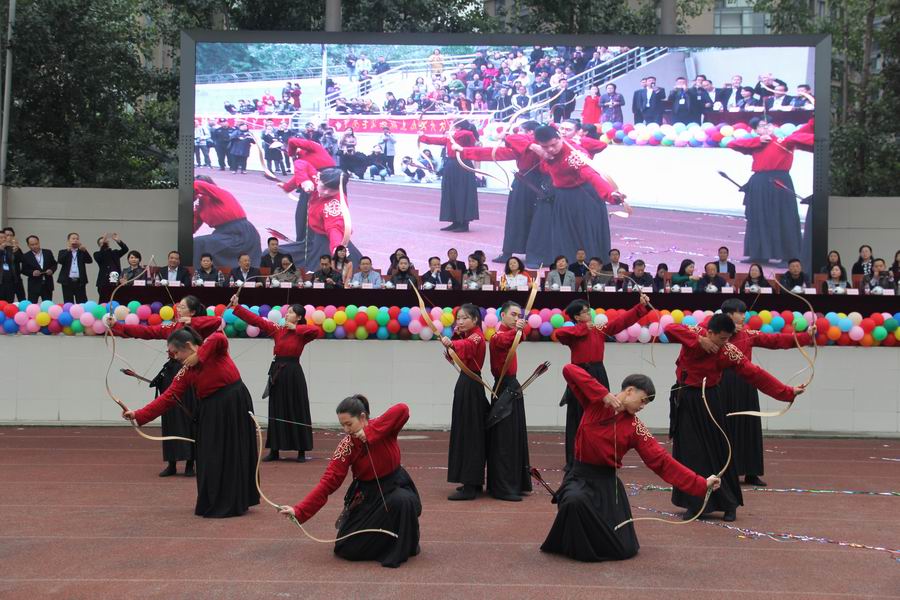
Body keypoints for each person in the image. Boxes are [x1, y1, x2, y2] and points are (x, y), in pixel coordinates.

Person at [541, 365, 721, 562]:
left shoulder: (636, 427)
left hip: (607, 486)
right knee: (574, 501)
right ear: (629, 390)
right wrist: (603, 395)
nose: (643, 406)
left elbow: (662, 461)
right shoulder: (595, 402)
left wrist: (701, 483)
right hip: (579, 478)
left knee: (622, 548)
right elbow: (569, 370)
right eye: (642, 400)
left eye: (646, 404)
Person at [665, 314, 805, 521]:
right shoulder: (696, 333)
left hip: (709, 399)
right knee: (689, 451)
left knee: (720, 451)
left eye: (728, 339)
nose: (725, 343)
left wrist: (787, 392)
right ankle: (694, 504)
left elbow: (755, 374)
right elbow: (669, 328)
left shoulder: (728, 351)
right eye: (721, 338)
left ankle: (729, 504)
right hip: (685, 398)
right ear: (710, 332)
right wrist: (699, 341)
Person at [123, 328, 259, 517]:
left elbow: (219, 336)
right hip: (211, 410)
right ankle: (216, 500)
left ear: (188, 346)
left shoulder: (215, 351)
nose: (175, 357)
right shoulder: (185, 371)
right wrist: (137, 415)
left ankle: (239, 499)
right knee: (211, 455)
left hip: (234, 402)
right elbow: (168, 397)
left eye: (175, 353)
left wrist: (199, 355)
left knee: (236, 450)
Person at [279, 397, 421, 568]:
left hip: (396, 486)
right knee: (347, 547)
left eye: (349, 424)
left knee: (402, 501)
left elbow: (403, 409)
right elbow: (328, 482)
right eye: (343, 425)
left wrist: (370, 433)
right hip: (368, 496)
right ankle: (386, 544)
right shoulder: (346, 446)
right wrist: (299, 510)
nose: (346, 430)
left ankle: (399, 544)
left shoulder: (381, 427)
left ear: (362, 417)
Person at [108, 296, 222, 477]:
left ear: (192, 311)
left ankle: (191, 463)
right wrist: (117, 326)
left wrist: (192, 321)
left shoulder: (199, 326)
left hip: (191, 373)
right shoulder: (173, 327)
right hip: (172, 373)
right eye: (178, 306)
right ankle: (172, 462)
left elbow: (217, 321)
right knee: (170, 416)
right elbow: (147, 331)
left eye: (183, 307)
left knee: (191, 415)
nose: (178, 309)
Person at [713, 299, 814, 487]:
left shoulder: (748, 334)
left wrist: (805, 337)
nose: (744, 316)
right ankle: (726, 471)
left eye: (744, 313)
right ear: (728, 315)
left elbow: (775, 340)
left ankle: (751, 472)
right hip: (722, 383)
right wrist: (726, 329)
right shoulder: (714, 332)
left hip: (746, 383)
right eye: (740, 313)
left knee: (749, 426)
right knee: (725, 427)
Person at [556, 295, 650, 468]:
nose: (589, 314)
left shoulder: (599, 329)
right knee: (577, 416)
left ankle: (599, 455)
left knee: (602, 414)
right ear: (577, 317)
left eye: (589, 311)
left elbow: (620, 323)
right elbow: (559, 334)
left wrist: (641, 307)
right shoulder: (574, 332)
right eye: (585, 312)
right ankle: (574, 460)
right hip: (580, 375)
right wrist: (583, 328)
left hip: (598, 373)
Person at [229, 295, 318, 462]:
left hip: (293, 373)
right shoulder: (278, 329)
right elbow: (257, 321)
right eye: (287, 312)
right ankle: (275, 450)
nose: (287, 314)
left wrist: (295, 328)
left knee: (297, 408)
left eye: (291, 312)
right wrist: (237, 307)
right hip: (278, 372)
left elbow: (316, 331)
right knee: (276, 408)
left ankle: (301, 450)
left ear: (299, 317)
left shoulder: (302, 333)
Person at [726, 117, 812, 264]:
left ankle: (789, 256)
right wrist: (758, 141)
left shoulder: (784, 141)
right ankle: (759, 254)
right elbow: (732, 144)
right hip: (759, 182)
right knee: (758, 218)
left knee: (784, 217)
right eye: (761, 126)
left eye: (769, 125)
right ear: (756, 130)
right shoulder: (756, 144)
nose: (766, 128)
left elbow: (804, 134)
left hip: (779, 181)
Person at [459, 120, 542, 263]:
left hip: (537, 184)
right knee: (516, 218)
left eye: (521, 130)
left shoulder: (541, 144)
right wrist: (464, 151)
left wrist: (506, 136)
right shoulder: (524, 147)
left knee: (537, 220)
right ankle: (509, 252)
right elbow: (495, 153)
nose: (518, 133)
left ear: (530, 132)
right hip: (524, 183)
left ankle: (533, 253)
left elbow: (517, 139)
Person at [530, 126, 611, 263]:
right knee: (564, 236)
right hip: (563, 197)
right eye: (545, 147)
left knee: (584, 234)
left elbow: (590, 174)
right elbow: (513, 139)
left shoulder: (574, 153)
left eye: (553, 145)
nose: (550, 149)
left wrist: (609, 194)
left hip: (583, 196)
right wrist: (533, 146)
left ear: (560, 138)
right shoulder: (542, 148)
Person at [441, 304, 489, 500]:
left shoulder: (476, 336)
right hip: (466, 382)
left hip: (471, 385)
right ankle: (471, 481)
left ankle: (471, 484)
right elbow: (454, 353)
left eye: (464, 318)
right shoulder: (467, 336)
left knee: (470, 434)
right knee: (464, 431)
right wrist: (452, 340)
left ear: (475, 320)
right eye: (458, 318)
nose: (460, 321)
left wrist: (452, 343)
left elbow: (467, 347)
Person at [487, 301, 531, 501]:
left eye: (518, 315)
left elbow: (521, 336)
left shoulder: (513, 333)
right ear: (502, 316)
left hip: (513, 386)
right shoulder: (496, 336)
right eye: (513, 314)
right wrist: (518, 329)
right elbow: (505, 341)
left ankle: (517, 483)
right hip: (503, 387)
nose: (516, 318)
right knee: (504, 440)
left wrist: (519, 329)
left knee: (515, 437)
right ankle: (503, 488)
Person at [278, 167, 362, 272]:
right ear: (318, 179)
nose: (326, 192)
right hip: (312, 239)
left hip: (327, 241)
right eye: (324, 187)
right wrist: (297, 183)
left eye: (332, 190)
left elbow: (334, 227)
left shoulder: (334, 204)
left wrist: (337, 248)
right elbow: (302, 166)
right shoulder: (315, 179)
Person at [419, 121, 480, 232]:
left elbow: (468, 134)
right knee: (450, 193)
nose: (452, 128)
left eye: (454, 126)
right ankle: (455, 221)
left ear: (459, 127)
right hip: (451, 165)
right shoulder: (451, 137)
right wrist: (422, 136)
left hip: (463, 165)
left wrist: (452, 134)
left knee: (462, 193)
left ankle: (464, 223)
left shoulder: (466, 135)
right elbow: (435, 140)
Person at [193, 176, 263, 269]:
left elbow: (197, 185)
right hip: (223, 234)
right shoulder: (200, 205)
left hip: (242, 233)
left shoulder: (220, 193)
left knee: (199, 243)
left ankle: (199, 273)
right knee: (196, 244)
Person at [56, 232, 93, 303]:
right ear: (68, 241)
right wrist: (68, 251)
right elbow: (60, 261)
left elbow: (89, 261)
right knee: (68, 302)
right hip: (67, 281)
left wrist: (85, 251)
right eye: (73, 238)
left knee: (82, 302)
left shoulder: (82, 252)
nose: (75, 240)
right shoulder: (63, 251)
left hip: (79, 281)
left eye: (77, 239)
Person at [20, 235, 57, 302]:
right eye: (32, 245)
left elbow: (54, 264)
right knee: (32, 306)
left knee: (47, 305)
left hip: (47, 285)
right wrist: (32, 272)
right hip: (34, 285)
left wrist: (51, 270)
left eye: (36, 244)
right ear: (28, 245)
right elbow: (24, 270)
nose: (35, 246)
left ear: (39, 242)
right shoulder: (26, 256)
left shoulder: (48, 252)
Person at [0, 230, 20, 302]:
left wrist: (16, 250)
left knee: (9, 302)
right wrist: (1, 250)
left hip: (10, 281)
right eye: (1, 238)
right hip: (1, 281)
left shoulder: (10, 249)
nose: (4, 239)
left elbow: (20, 260)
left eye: (5, 237)